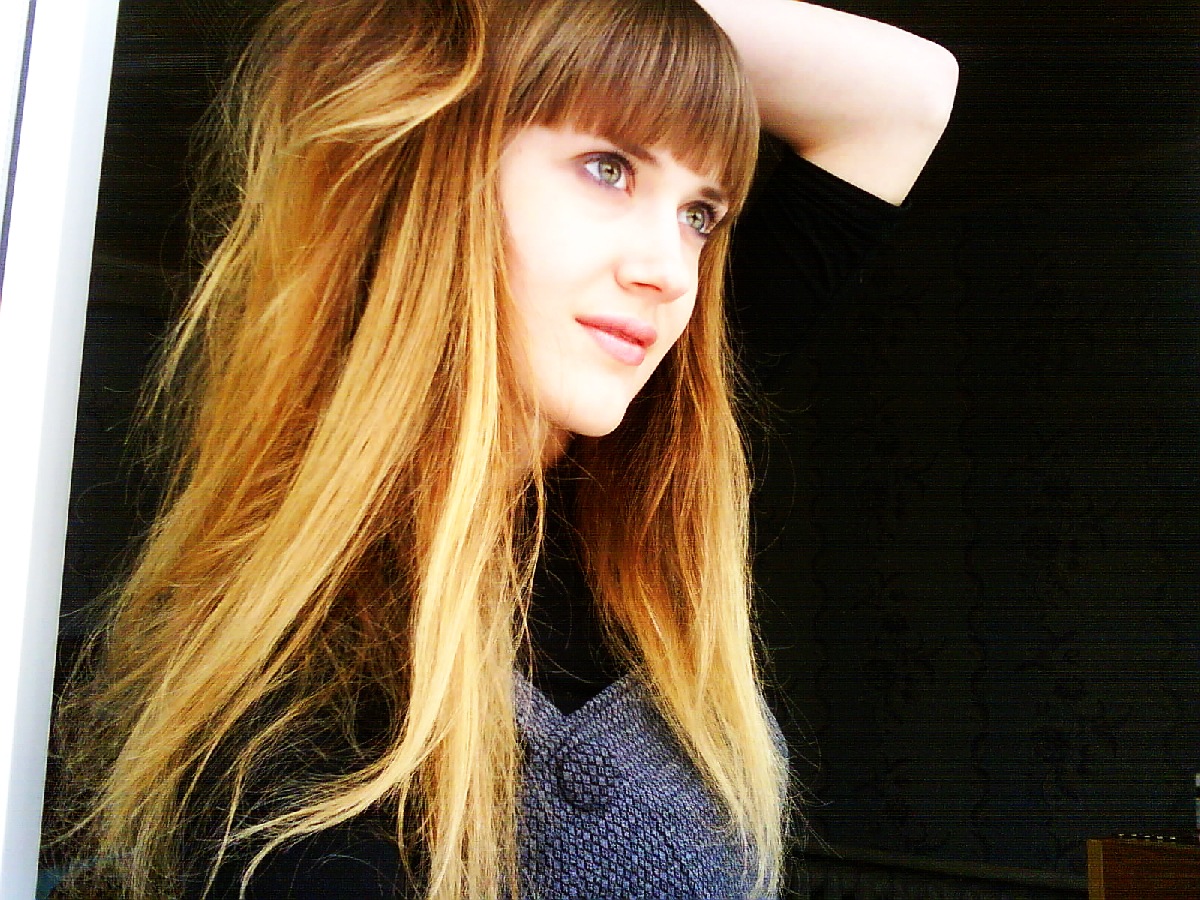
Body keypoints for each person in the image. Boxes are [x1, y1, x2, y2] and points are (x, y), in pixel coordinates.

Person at [48, 0, 956, 897]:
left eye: (700, 214)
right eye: (608, 168)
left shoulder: (634, 453)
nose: (669, 272)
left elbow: (905, 99)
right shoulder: (304, 720)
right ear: (440, 178)